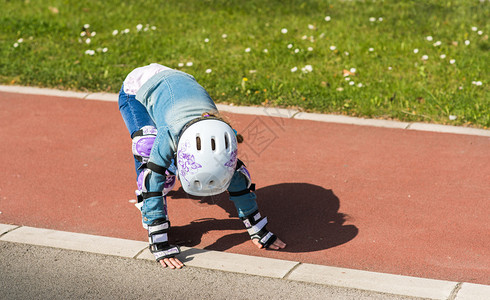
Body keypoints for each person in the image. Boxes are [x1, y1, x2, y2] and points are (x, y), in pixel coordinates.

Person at [118, 63, 286, 269]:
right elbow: (152, 181)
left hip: (178, 84)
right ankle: (157, 197)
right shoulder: (169, 133)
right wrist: (158, 238)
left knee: (169, 167)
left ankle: (170, 168)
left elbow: (239, 179)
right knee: (149, 152)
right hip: (136, 90)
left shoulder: (225, 139)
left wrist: (258, 229)